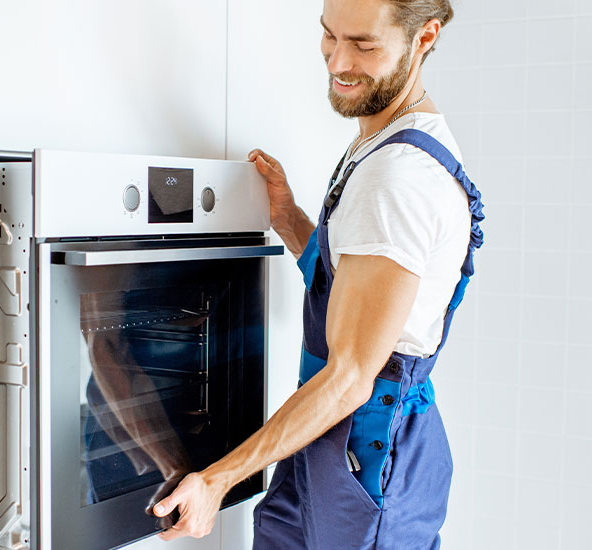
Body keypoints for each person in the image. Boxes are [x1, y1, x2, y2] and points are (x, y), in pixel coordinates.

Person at [151, 0, 485, 548]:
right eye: (329, 36)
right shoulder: (386, 139)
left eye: (364, 45)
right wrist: (288, 218)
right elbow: (355, 286)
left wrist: (217, 479)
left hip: (366, 452)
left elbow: (352, 375)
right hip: (332, 435)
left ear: (424, 38)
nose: (337, 62)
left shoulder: (399, 177)